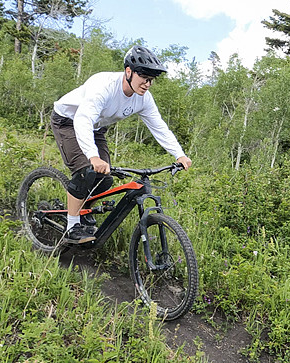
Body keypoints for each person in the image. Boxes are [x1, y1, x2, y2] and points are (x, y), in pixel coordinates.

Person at [51, 45, 192, 244]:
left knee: (105, 179)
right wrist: (92, 156)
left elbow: (158, 126)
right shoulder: (104, 85)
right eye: (144, 77)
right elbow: (82, 119)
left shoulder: (143, 99)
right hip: (68, 120)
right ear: (129, 72)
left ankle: (82, 211)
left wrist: (179, 154)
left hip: (96, 128)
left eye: (151, 80)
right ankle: (72, 224)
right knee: (86, 171)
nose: (147, 84)